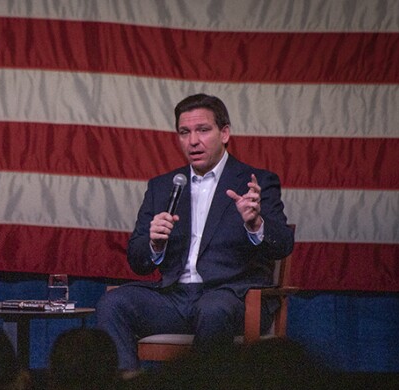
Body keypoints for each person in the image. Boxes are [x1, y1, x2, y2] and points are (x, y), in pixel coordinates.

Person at [96, 93, 295, 371]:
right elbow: (136, 261)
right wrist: (154, 244)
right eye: (184, 132)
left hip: (232, 298)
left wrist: (256, 224)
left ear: (224, 133)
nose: (193, 141)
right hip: (174, 300)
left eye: (203, 130)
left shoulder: (256, 181)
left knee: (212, 309)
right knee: (113, 303)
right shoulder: (163, 186)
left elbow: (283, 244)